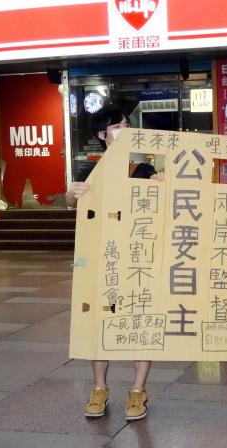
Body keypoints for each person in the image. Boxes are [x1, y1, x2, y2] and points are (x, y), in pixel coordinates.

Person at [66, 104, 163, 421]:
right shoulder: (91, 171)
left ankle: (138, 391)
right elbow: (74, 202)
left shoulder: (143, 169)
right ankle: (99, 388)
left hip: (138, 258)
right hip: (103, 260)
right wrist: (73, 194)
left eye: (126, 124)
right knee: (100, 323)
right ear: (101, 135)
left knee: (142, 320)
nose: (124, 130)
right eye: (117, 126)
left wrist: (163, 182)